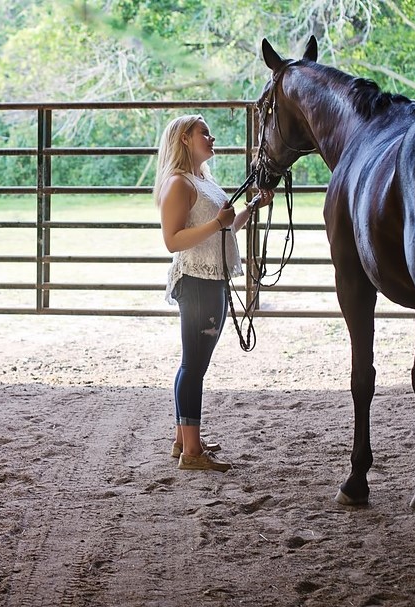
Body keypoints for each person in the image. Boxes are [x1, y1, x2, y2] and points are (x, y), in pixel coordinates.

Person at [154, 114, 272, 472]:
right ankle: (192, 452)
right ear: (185, 139)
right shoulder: (178, 183)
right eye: (204, 132)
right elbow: (172, 240)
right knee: (194, 365)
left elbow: (223, 230)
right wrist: (218, 222)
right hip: (197, 280)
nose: (212, 137)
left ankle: (184, 440)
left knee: (194, 364)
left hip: (211, 278)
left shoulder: (201, 180)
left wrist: (249, 209)